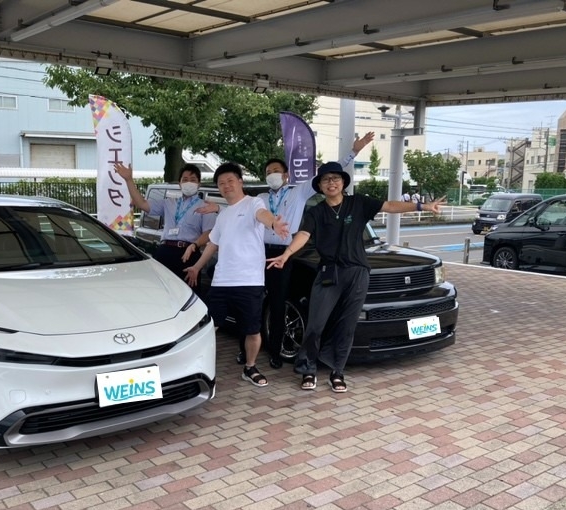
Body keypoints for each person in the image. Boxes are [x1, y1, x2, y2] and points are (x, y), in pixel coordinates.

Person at [199, 133, 375, 370]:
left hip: (284, 253)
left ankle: (275, 352)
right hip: (259, 254)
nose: (272, 174)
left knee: (278, 303)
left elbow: (327, 173)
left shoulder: (298, 192)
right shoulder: (260, 197)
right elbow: (239, 207)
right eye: (268, 172)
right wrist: (216, 208)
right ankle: (244, 351)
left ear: (286, 175)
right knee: (249, 304)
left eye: (276, 171)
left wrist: (353, 152)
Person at [267, 161, 445, 392]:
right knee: (316, 324)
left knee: (347, 325)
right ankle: (308, 369)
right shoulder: (316, 212)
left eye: (335, 178)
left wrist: (422, 206)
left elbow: (390, 205)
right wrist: (287, 253)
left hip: (357, 272)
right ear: (320, 186)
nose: (331, 183)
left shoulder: (358, 203)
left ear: (343, 182)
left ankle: (337, 371)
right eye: (326, 180)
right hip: (328, 273)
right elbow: (303, 234)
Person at [184, 162, 289, 388]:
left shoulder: (253, 203)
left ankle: (250, 367)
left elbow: (263, 215)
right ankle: (196, 368)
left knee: (252, 329)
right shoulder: (223, 215)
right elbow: (213, 244)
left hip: (249, 281)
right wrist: (197, 267)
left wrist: (273, 224)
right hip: (221, 282)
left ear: (240, 182)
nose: (226, 185)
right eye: (221, 183)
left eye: (230, 181)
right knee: (208, 327)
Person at [114, 162, 216, 294]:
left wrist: (195, 245)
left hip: (188, 253)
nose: (189, 183)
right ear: (179, 183)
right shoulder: (169, 203)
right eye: (185, 179)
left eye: (193, 180)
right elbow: (142, 203)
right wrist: (129, 180)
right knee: (161, 292)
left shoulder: (206, 206)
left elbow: (209, 232)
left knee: (187, 293)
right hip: (165, 250)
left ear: (199, 184)